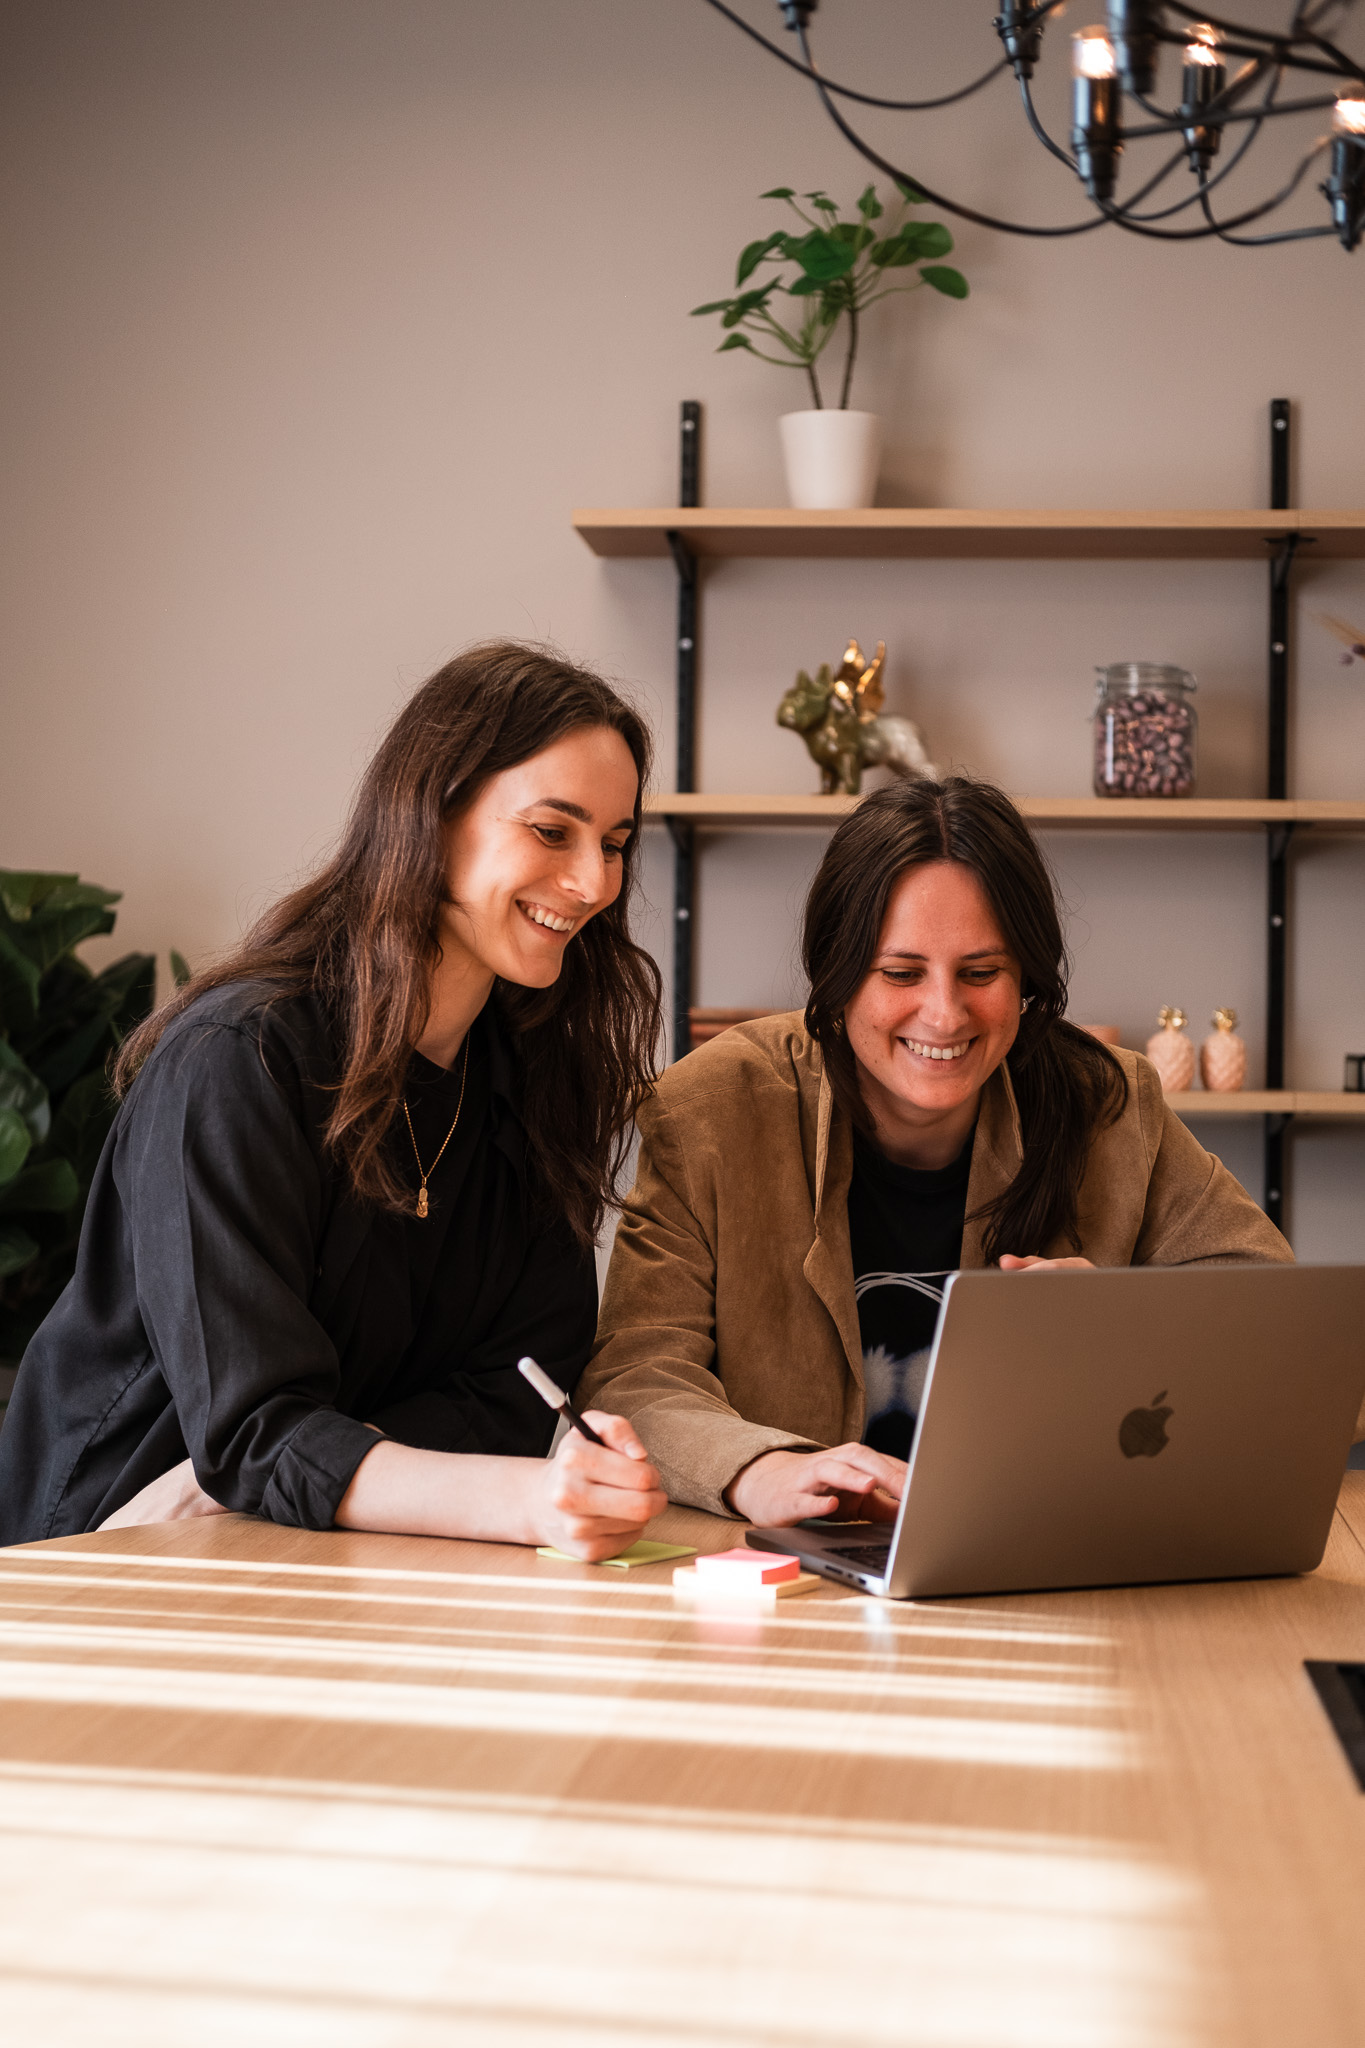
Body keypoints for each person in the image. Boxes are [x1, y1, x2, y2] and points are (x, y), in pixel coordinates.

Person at [0, 642, 668, 1558]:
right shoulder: (238, 1059)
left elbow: (523, 1383)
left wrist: (376, 1468)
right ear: (432, 814)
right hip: (120, 1546)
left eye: (616, 843)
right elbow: (250, 1432)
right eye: (553, 831)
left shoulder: (531, 1079)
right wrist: (512, 1498)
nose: (595, 882)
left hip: (344, 1539)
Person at [580, 776, 1294, 1528]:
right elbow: (634, 1376)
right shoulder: (706, 1108)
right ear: (836, 974)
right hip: (796, 1575)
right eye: (899, 972)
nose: (944, 1015)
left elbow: (1282, 1328)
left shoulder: (1110, 1102)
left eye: (981, 973)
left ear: (1027, 979)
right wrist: (759, 1469)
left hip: (1044, 1551)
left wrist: (1126, 1324)